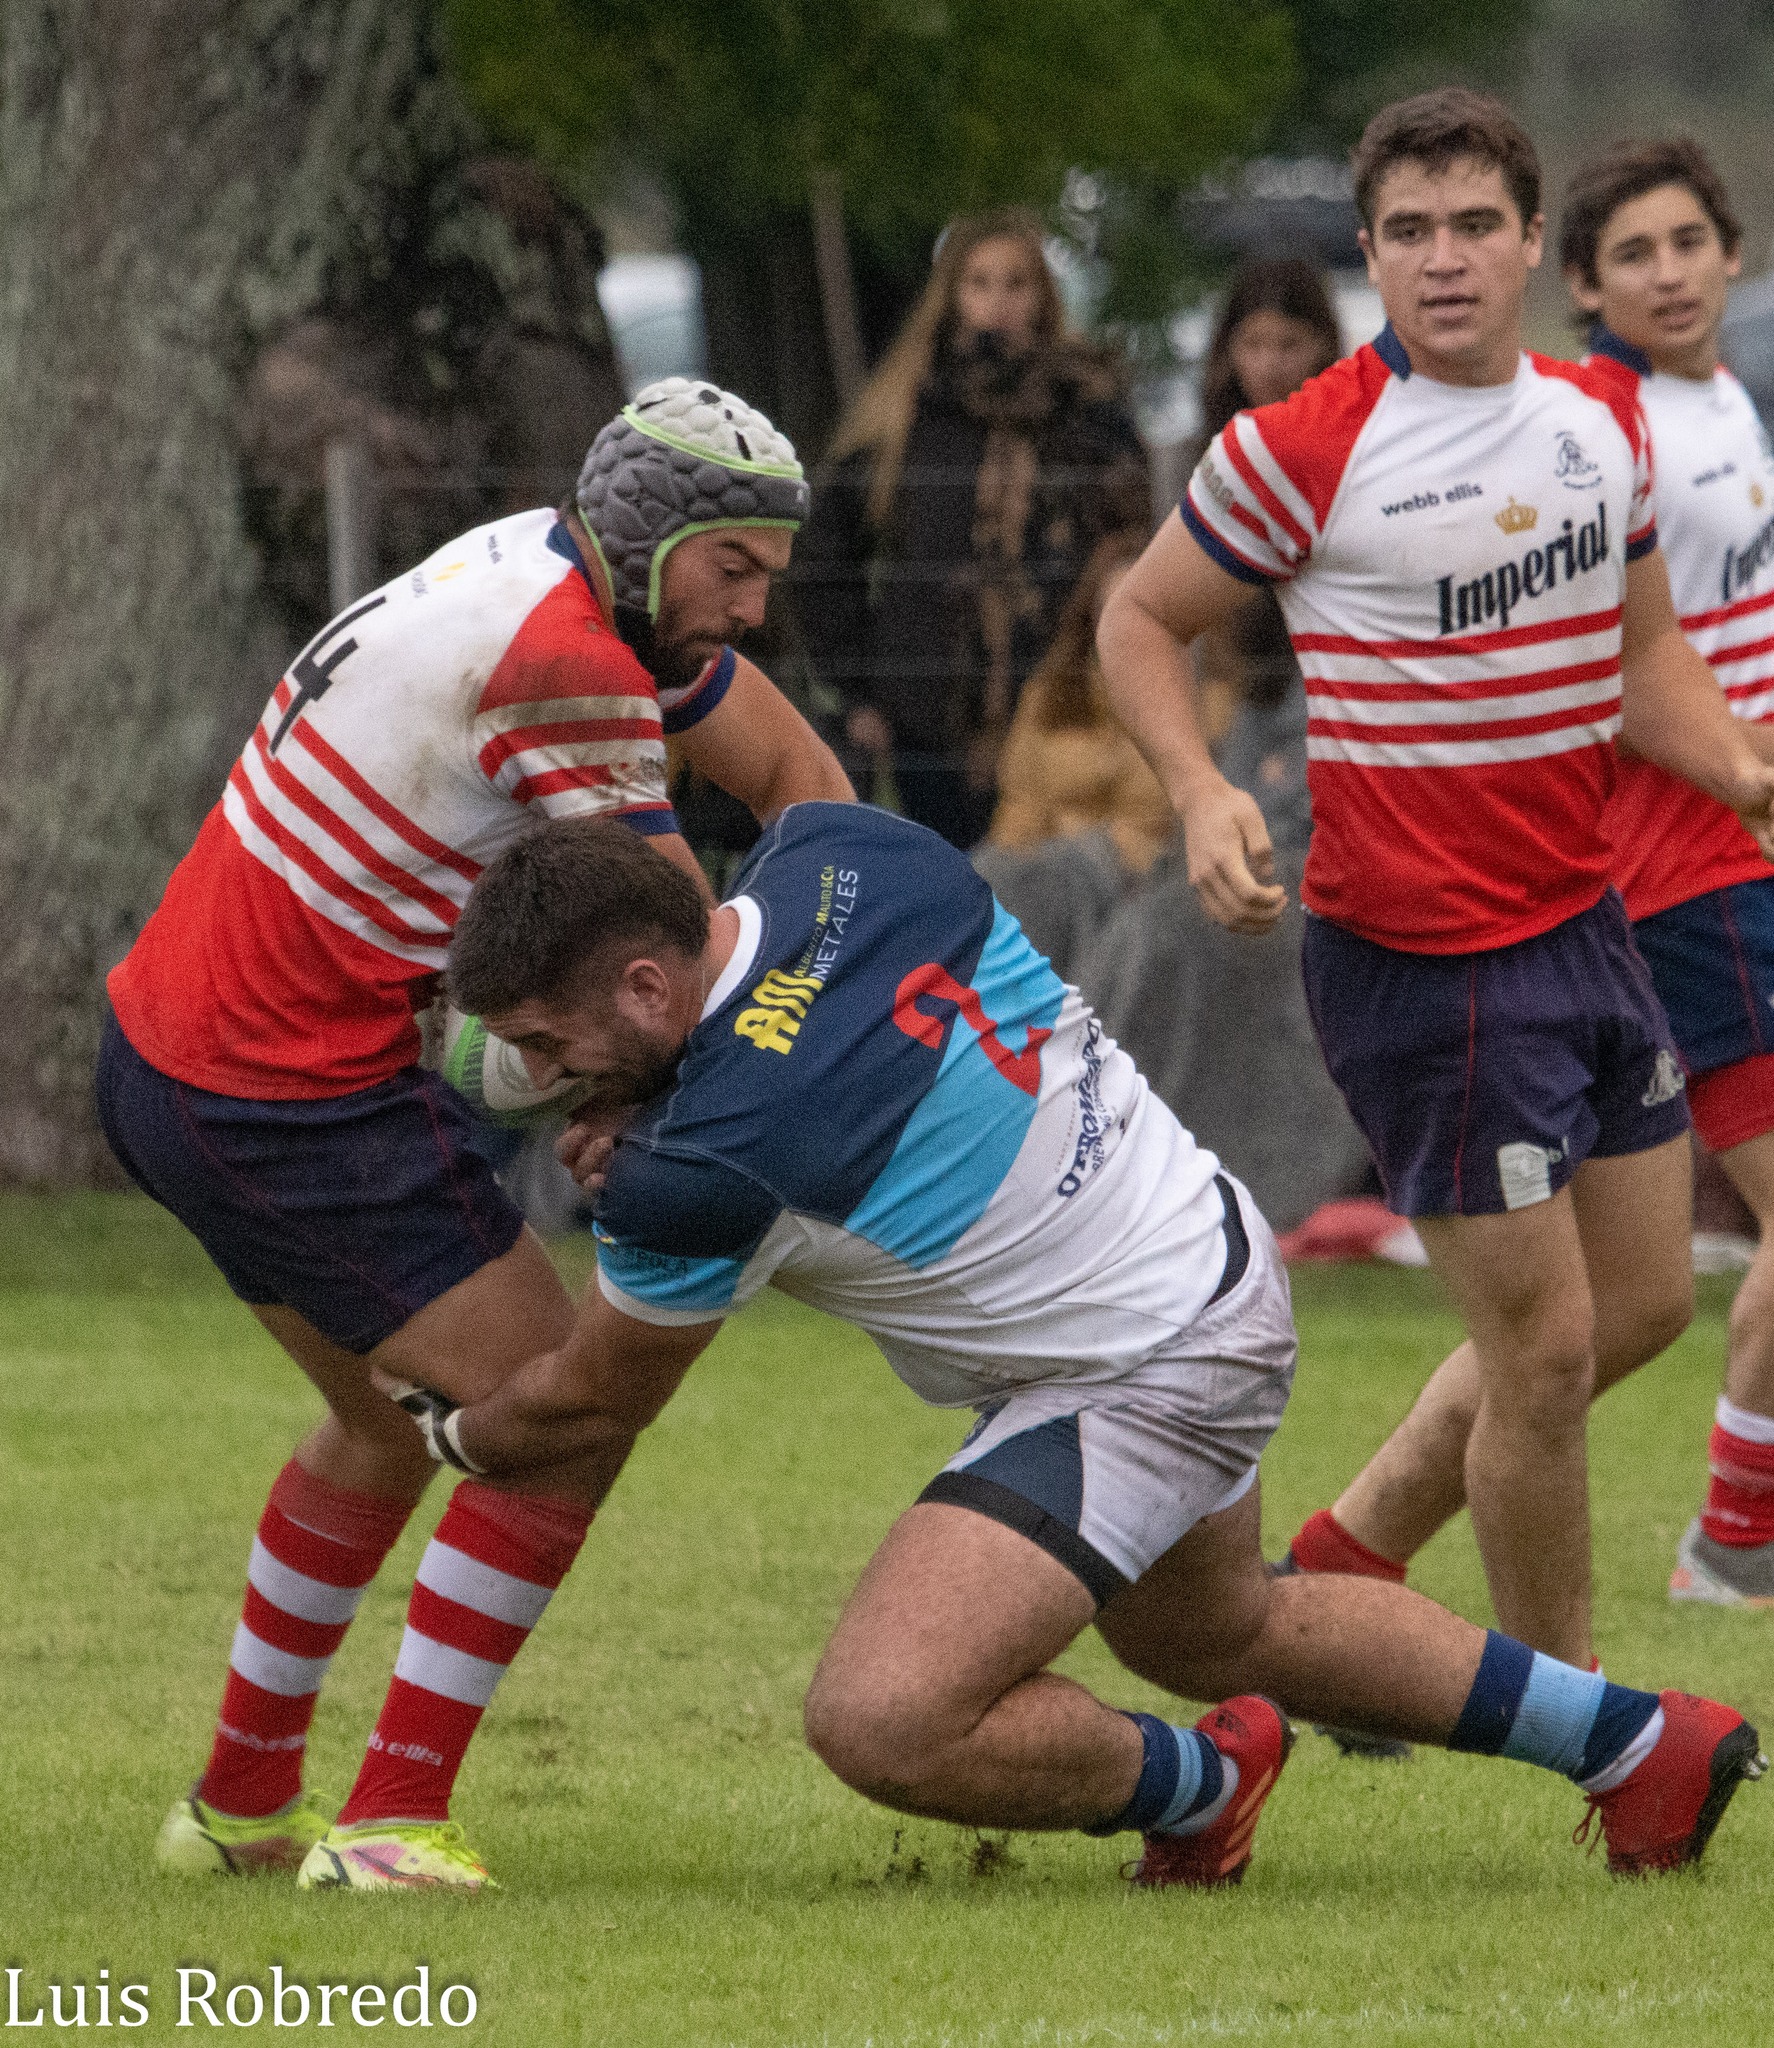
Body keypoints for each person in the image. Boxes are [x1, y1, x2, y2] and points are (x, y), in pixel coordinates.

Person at [374, 806, 1761, 1895]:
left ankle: (1197, 1789)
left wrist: (450, 1430)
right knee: (1217, 1629)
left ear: (640, 981)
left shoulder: (706, 1166)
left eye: (551, 1046)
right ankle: (1638, 1743)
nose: (546, 1078)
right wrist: (655, 1091)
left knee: (884, 1717)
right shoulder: (841, 850)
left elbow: (594, 1397)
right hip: (1198, 1259)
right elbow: (778, 978)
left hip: (1138, 1365)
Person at [97, 378, 854, 1889]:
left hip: (168, 1056)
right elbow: (666, 964)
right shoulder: (567, 664)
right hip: (281, 1093)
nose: (754, 611)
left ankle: (243, 1808)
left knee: (388, 1424)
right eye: (734, 571)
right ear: (650, 546)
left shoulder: (544, 564)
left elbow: (806, 793)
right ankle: (387, 1826)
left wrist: (653, 1058)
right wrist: (641, 1087)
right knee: (564, 1410)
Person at [1094, 89, 1774, 1673]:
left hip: (1586, 930)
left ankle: (1343, 1553)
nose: (1444, 259)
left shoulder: (1592, 427)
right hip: (1422, 969)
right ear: (1368, 255)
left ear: (1531, 246)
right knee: (1539, 1358)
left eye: (1475, 226)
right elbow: (1138, 620)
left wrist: (1740, 766)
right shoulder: (1302, 447)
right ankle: (1585, 1730)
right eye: (1408, 232)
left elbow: (1642, 653)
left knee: (1649, 1305)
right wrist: (1198, 793)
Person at [791, 208, 1150, 849]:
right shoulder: (910, 410)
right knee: (947, 891)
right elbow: (822, 548)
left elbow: (1135, 545)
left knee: (1045, 895)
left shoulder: (1086, 415)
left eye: (1017, 284)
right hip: (927, 716)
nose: (998, 303)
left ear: (1043, 296)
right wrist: (859, 688)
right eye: (979, 283)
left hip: (1054, 707)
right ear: (952, 297)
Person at [973, 532, 1173, 978]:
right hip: (1044, 858)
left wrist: (1074, 846)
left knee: (1065, 889)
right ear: (1092, 615)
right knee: (982, 876)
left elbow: (1155, 821)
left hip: (1130, 874)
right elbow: (1020, 801)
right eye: (1113, 609)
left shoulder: (1183, 699)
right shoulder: (1050, 692)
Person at [1189, 258, 1344, 745]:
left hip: (1323, 686)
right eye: (1252, 345)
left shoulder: (1347, 446)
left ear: (1323, 345)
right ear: (1227, 350)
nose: (1269, 366)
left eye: (1288, 344)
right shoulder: (1203, 458)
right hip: (1228, 694)